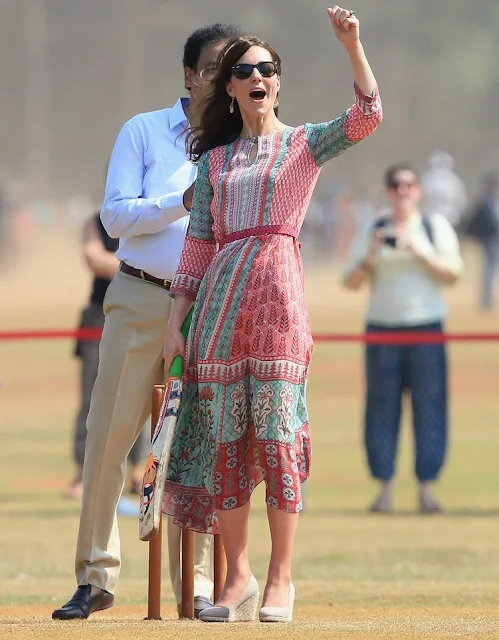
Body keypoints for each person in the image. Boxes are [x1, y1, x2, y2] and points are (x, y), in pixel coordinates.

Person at [162, 6, 382, 623]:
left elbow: (368, 117)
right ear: (230, 88)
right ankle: (237, 577)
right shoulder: (214, 163)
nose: (257, 77)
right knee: (226, 443)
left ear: (277, 81)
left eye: (267, 68)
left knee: (279, 439)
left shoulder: (304, 144)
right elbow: (199, 242)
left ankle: (282, 577)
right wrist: (176, 322)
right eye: (244, 70)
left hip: (280, 309)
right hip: (217, 316)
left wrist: (352, 46)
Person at [52, 22, 243, 621]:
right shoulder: (144, 131)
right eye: (217, 66)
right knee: (110, 435)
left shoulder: (247, 141)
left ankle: (205, 583)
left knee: (206, 444)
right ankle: (95, 576)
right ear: (189, 75)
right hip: (139, 297)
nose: (230, 77)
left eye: (240, 67)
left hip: (212, 304)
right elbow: (114, 216)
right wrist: (180, 203)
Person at [342, 163, 463, 514]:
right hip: (382, 330)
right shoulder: (373, 227)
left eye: (409, 184)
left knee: (430, 408)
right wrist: (370, 256)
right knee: (381, 410)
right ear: (388, 191)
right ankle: (384, 490)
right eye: (396, 185)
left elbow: (453, 275)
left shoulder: (434, 226)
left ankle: (426, 489)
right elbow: (350, 281)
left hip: (427, 328)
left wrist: (419, 251)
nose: (402, 191)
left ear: (418, 191)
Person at [63, 213, 149, 504]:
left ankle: (138, 472)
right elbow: (94, 259)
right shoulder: (96, 222)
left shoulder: (151, 218)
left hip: (140, 311)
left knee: (142, 396)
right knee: (92, 398)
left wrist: (125, 264)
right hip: (99, 315)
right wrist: (137, 265)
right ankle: (83, 473)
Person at [467, 170, 499, 309]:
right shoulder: (484, 202)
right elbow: (476, 221)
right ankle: (487, 300)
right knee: (489, 270)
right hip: (490, 239)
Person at [420, 150, 467, 231]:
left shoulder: (453, 181)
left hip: (450, 219)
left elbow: (460, 201)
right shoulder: (427, 180)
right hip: (430, 219)